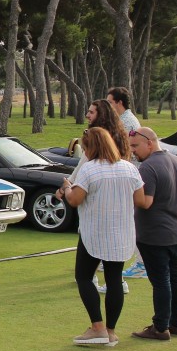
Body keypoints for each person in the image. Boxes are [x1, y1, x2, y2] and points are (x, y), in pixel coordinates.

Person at [63, 127, 146, 347]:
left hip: (95, 232)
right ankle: (110, 331)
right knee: (114, 279)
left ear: (90, 148)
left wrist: (67, 188)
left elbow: (75, 200)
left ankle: (97, 327)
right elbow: (140, 199)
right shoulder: (129, 168)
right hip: (121, 231)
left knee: (83, 277)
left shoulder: (89, 169)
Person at [60, 99, 132, 294]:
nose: (87, 115)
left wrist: (67, 186)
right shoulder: (118, 135)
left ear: (102, 115)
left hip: (98, 197)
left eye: (91, 112)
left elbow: (82, 167)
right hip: (113, 198)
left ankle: (94, 280)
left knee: (91, 239)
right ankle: (115, 281)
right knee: (109, 246)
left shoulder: (98, 138)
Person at [128, 127, 177, 340]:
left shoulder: (148, 167)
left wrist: (127, 192)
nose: (133, 151)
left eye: (135, 146)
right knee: (175, 277)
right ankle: (176, 324)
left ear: (150, 143)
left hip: (156, 234)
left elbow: (146, 202)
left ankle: (160, 327)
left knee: (161, 281)